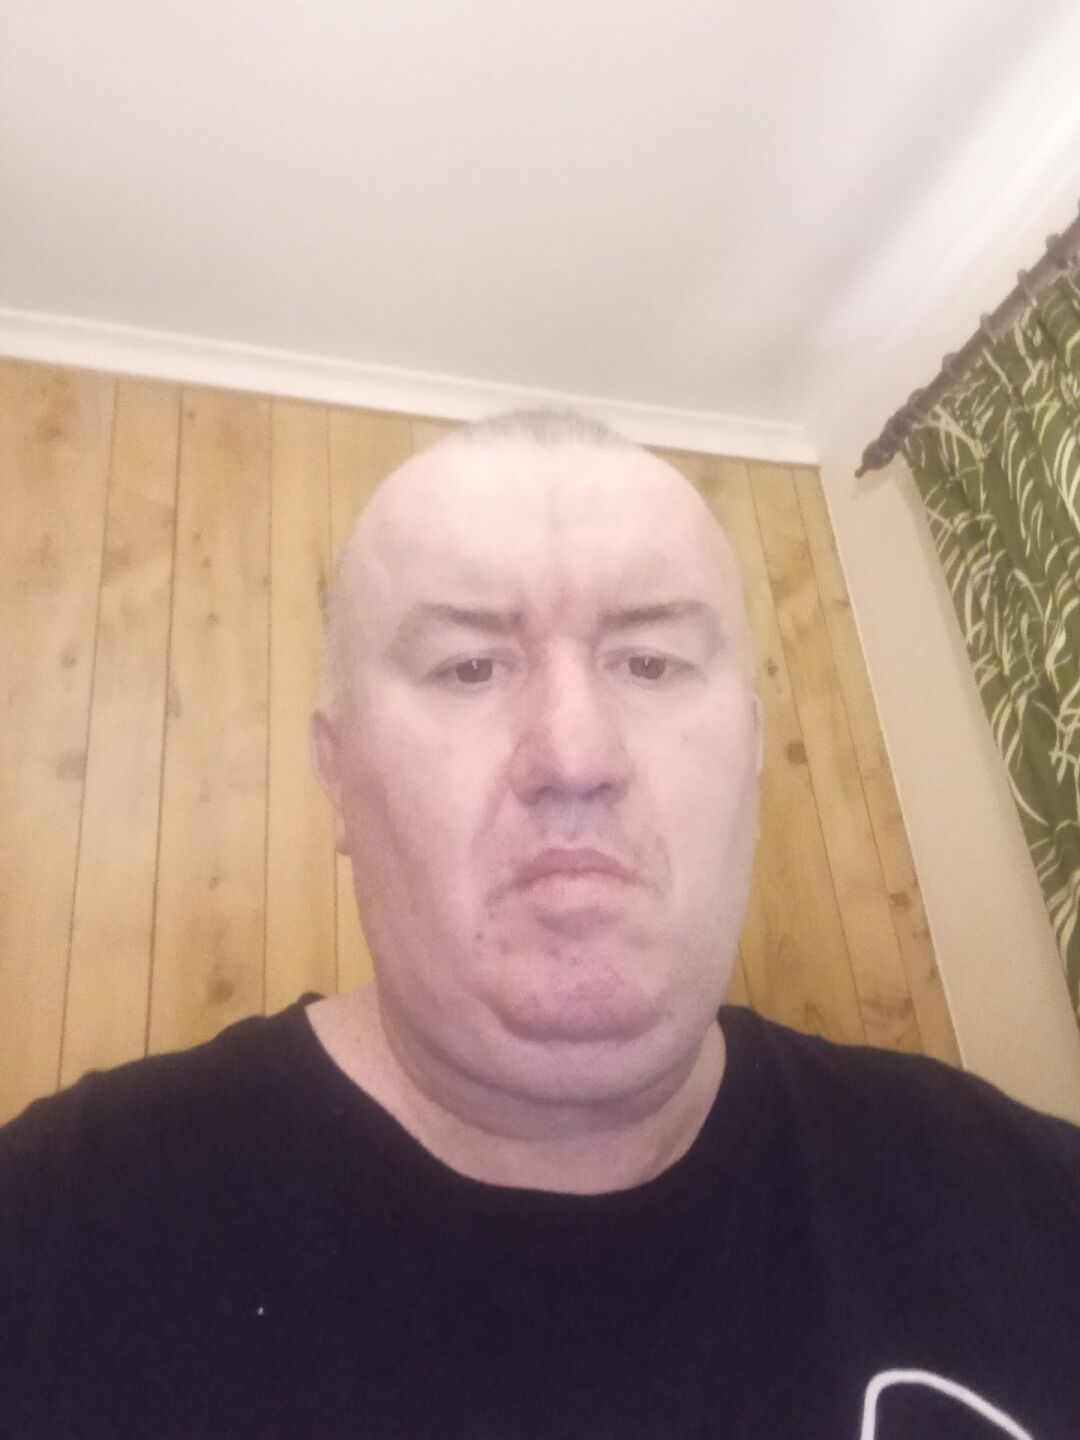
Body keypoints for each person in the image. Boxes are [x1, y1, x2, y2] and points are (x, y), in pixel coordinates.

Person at [1, 409, 1078, 1440]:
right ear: (338, 775)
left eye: (650, 662)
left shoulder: (1035, 1209)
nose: (574, 754)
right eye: (468, 666)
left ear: (753, 754)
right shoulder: (53, 1235)